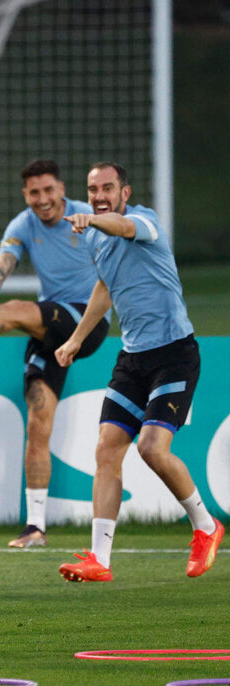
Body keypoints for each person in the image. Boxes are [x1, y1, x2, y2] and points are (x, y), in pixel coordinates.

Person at [55, 162, 222, 582]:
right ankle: (99, 559)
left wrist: (94, 217)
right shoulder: (95, 236)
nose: (99, 194)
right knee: (107, 447)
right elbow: (105, 287)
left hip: (174, 354)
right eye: (93, 189)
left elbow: (123, 228)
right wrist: (76, 339)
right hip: (132, 359)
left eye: (107, 187)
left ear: (125, 192)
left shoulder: (144, 222)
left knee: (151, 447)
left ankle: (206, 527)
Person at [0, 159, 108, 549]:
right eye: (34, 193)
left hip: (85, 321)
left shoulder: (86, 218)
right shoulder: (23, 224)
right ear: (26, 195)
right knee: (38, 423)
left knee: (20, 309)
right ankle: (35, 526)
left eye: (48, 191)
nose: (42, 199)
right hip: (49, 329)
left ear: (62, 189)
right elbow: (0, 268)